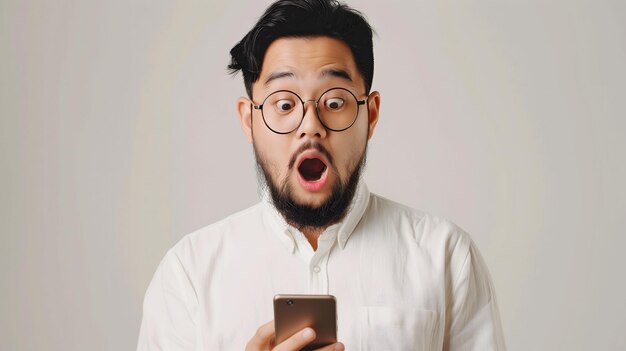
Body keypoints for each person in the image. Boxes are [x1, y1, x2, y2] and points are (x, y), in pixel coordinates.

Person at [137, 0, 506, 350]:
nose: (310, 127)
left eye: (334, 102)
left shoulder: (445, 258)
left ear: (370, 115)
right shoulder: (189, 276)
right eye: (284, 104)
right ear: (249, 121)